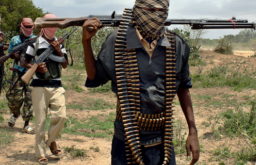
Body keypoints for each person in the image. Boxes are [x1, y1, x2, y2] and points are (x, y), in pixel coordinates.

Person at [82, 0, 200, 164]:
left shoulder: (176, 45)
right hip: (126, 139)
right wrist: (86, 42)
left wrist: (192, 131)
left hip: (162, 141)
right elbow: (95, 77)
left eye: (162, 10)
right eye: (150, 9)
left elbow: (183, 88)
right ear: (137, 10)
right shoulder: (117, 41)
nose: (157, 14)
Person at [21, 13, 68, 165]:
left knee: (61, 116)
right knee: (40, 122)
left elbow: (65, 63)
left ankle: (51, 141)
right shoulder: (34, 43)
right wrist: (36, 68)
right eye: (50, 24)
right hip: (39, 86)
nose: (53, 27)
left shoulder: (59, 43)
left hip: (56, 85)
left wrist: (58, 51)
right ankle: (41, 153)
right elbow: (24, 62)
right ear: (44, 25)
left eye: (55, 24)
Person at [6, 18, 36, 134]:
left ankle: (26, 124)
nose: (28, 29)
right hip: (17, 72)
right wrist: (15, 55)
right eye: (26, 27)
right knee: (14, 98)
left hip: (30, 72)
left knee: (30, 98)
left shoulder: (35, 40)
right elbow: (9, 54)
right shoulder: (15, 40)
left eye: (30, 27)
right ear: (21, 27)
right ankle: (15, 113)